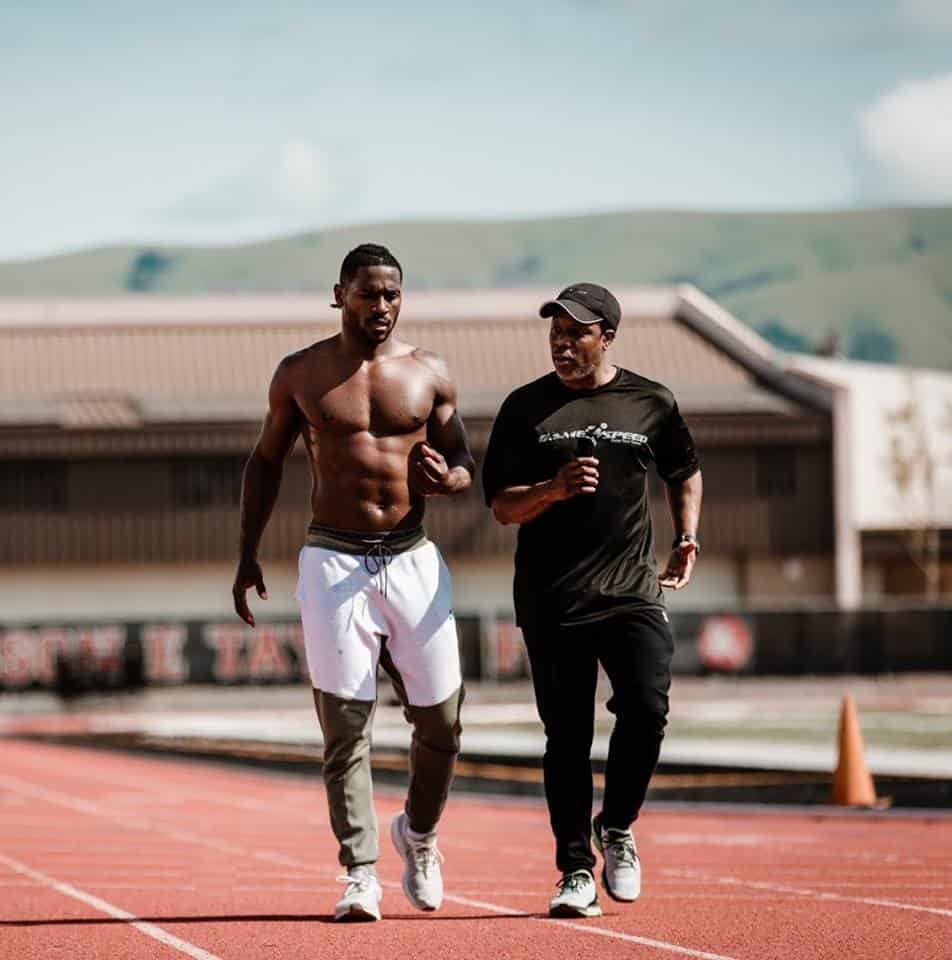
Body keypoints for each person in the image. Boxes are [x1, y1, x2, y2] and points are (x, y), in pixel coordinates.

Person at [233, 243, 475, 922]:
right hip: (332, 559)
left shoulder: (428, 373)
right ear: (339, 295)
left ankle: (419, 836)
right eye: (368, 293)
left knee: (444, 724)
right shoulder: (300, 373)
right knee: (345, 727)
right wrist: (246, 553)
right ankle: (359, 870)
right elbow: (265, 462)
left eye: (393, 294)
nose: (382, 306)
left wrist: (450, 480)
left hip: (411, 557)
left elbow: (462, 460)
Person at [482, 283, 702, 918]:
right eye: (555, 331)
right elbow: (500, 507)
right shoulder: (524, 409)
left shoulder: (651, 401)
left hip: (631, 589)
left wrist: (686, 535)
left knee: (647, 708)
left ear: (607, 337)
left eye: (576, 332)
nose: (562, 342)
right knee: (567, 738)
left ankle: (619, 826)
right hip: (552, 599)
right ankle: (575, 870)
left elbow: (683, 469)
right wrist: (552, 489)